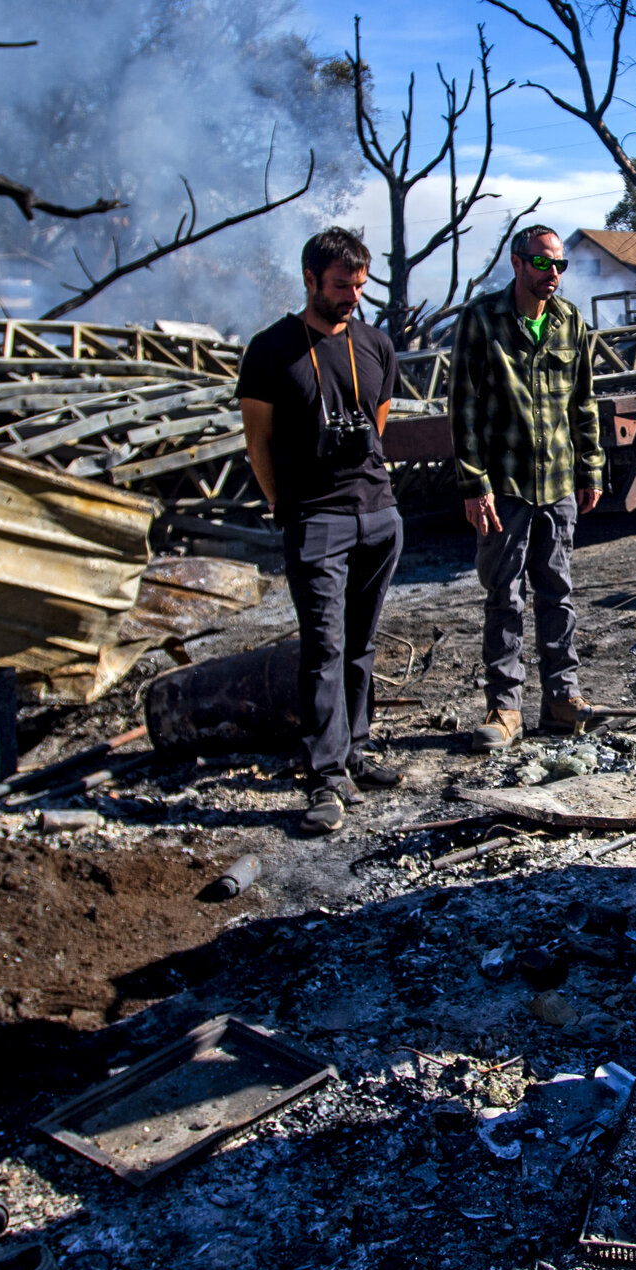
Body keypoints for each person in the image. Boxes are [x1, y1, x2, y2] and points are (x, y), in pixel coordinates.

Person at [239, 227, 404, 834]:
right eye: (340, 286)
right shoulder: (270, 349)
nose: (352, 297)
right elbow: (258, 444)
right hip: (316, 519)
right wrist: (290, 505)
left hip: (378, 515)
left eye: (359, 286)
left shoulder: (377, 345)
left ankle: (355, 749)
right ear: (309, 279)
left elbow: (376, 425)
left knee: (361, 643)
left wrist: (373, 502)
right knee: (324, 648)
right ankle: (326, 775)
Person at [449, 224, 606, 751]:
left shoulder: (569, 322)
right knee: (505, 596)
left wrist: (591, 469)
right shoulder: (482, 319)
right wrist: (474, 483)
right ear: (517, 264)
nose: (553, 274)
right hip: (505, 487)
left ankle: (563, 699)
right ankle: (506, 707)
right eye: (542, 263)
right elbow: (464, 407)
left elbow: (584, 403)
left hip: (557, 481)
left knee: (558, 593)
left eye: (558, 264)